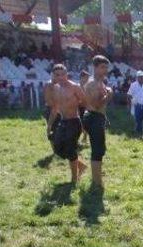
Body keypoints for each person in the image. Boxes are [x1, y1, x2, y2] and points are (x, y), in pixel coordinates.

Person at [47, 64, 88, 183]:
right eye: (57, 75)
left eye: (62, 74)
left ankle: (74, 178)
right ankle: (80, 166)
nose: (60, 77)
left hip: (74, 122)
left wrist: (88, 120)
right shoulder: (55, 88)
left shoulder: (74, 87)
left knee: (70, 149)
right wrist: (49, 124)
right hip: (63, 121)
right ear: (54, 75)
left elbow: (85, 102)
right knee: (58, 148)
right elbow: (55, 108)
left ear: (66, 74)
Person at [82, 55, 113, 187]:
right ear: (95, 67)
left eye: (106, 67)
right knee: (97, 150)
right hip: (93, 117)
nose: (105, 70)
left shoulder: (100, 82)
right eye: (102, 67)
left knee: (99, 149)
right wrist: (109, 95)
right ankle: (96, 182)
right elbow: (96, 105)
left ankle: (97, 177)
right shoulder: (93, 83)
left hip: (97, 117)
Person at [127, 70, 143, 138]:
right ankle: (139, 136)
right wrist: (129, 105)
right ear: (137, 77)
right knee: (138, 121)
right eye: (140, 77)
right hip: (137, 105)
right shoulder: (133, 85)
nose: (142, 78)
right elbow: (129, 95)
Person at [43, 75, 60, 146]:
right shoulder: (49, 85)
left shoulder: (58, 85)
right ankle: (54, 148)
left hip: (58, 109)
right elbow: (49, 101)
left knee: (57, 129)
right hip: (52, 109)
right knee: (51, 128)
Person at [79, 70, 90, 143]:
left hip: (86, 107)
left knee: (85, 123)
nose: (87, 79)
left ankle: (85, 137)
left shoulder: (87, 87)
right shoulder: (77, 87)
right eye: (86, 78)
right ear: (82, 77)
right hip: (78, 108)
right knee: (79, 124)